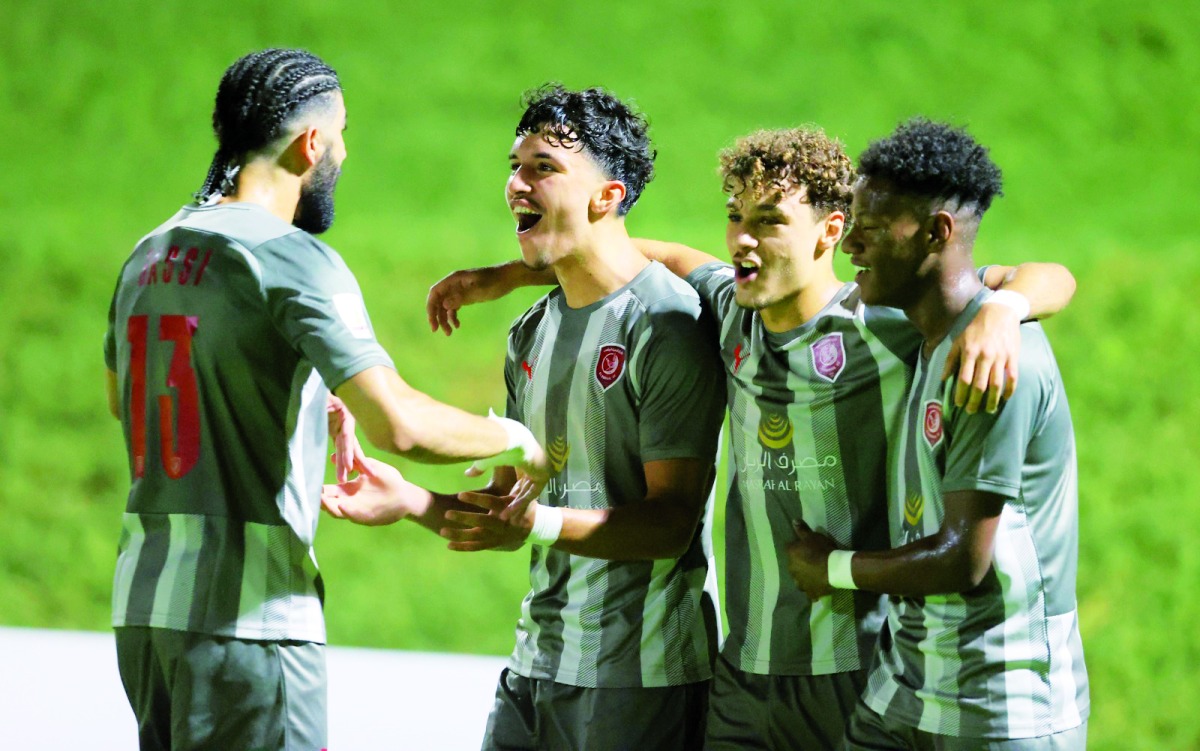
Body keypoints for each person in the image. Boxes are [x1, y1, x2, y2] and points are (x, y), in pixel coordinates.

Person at [423, 126, 1076, 749]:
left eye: (769, 220)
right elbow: (634, 253)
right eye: (736, 216)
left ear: (831, 231)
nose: (743, 238)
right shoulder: (732, 309)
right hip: (743, 666)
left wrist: (1006, 308)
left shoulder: (883, 322)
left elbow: (1046, 276)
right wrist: (507, 275)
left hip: (854, 662)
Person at [102, 48, 546, 751]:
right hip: (250, 622)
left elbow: (131, 402)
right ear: (311, 144)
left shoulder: (150, 251)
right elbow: (400, 425)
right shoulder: (289, 256)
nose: (343, 152)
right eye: (340, 135)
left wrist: (297, 395)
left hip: (145, 613)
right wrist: (517, 439)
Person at [324, 84, 726, 750]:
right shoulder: (530, 333)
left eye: (543, 167)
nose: (516, 184)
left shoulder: (667, 324)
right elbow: (512, 514)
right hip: (535, 666)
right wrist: (410, 500)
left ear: (607, 196)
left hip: (638, 678)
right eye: (514, 166)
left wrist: (534, 521)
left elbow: (670, 524)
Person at [787, 118, 1089, 749]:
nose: (851, 245)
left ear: (936, 232)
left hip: (999, 705)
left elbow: (963, 559)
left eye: (871, 229)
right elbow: (1044, 276)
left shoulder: (994, 361)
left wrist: (830, 569)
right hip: (907, 687)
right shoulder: (935, 329)